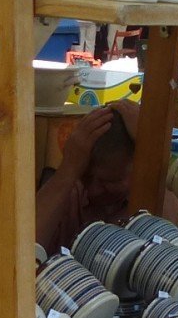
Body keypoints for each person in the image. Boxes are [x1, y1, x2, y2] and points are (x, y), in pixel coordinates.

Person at [37, 100, 144, 254]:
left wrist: (151, 152)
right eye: (85, 176)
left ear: (138, 168)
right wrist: (68, 169)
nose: (93, 191)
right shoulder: (71, 190)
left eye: (108, 182)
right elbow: (22, 250)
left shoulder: (149, 191)